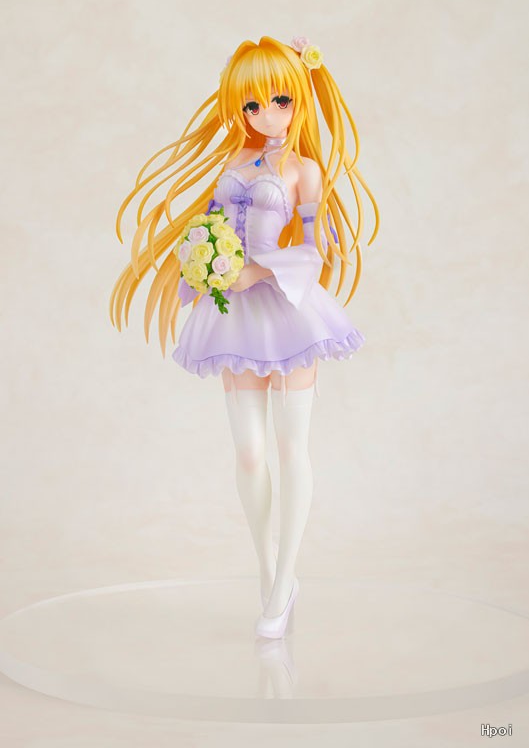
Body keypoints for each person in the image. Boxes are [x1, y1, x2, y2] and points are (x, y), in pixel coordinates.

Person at [110, 35, 379, 639]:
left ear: (300, 98)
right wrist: (204, 258)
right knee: (250, 452)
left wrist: (258, 270)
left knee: (291, 448)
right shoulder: (234, 161)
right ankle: (268, 569)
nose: (265, 115)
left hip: (287, 308)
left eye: (279, 101)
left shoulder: (303, 171)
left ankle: (285, 579)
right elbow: (212, 222)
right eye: (251, 104)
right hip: (233, 313)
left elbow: (313, 247)